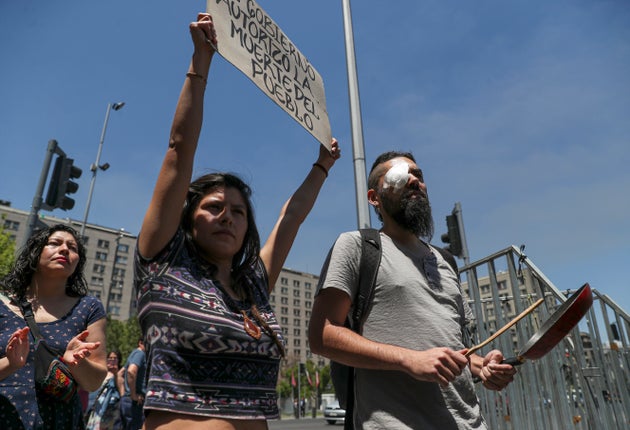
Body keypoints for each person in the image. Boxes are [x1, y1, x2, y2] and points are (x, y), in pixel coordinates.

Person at [134, 12, 340, 430]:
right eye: (214, 207)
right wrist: (201, 62)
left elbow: (292, 218)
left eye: (239, 212)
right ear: (189, 218)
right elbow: (178, 151)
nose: (227, 217)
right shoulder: (163, 262)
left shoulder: (255, 287)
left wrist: (323, 165)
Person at [308, 152, 517, 429]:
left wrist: (482, 367)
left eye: (418, 176)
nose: (414, 181)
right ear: (374, 197)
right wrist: (409, 359)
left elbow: (456, 351)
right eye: (400, 176)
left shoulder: (445, 261)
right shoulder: (356, 246)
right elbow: (322, 335)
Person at [0, 224, 107, 429]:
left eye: (73, 247)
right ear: (35, 252)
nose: (65, 249)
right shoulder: (2, 304)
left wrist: (77, 363)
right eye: (55, 243)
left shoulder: (88, 308)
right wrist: (10, 364)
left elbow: (94, 382)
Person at [85, 350, 123, 429]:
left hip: (113, 407)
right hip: (98, 407)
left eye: (115, 358)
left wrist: (116, 374)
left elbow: (121, 390)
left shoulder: (120, 373)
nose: (112, 360)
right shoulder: (102, 372)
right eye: (110, 358)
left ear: (119, 360)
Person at [118, 339, 145, 430]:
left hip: (127, 400)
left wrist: (123, 394)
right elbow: (131, 371)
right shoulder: (140, 353)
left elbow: (120, 374)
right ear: (141, 343)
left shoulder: (133, 354)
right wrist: (133, 395)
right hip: (135, 403)